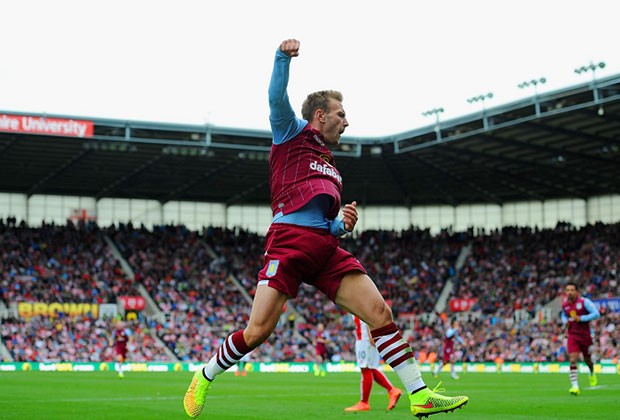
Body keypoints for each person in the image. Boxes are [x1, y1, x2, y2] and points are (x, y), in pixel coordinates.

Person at [183, 38, 469, 418]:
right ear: (320, 115)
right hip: (288, 244)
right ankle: (204, 375)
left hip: (325, 248)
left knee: (380, 313)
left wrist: (341, 225)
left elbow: (324, 222)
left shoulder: (330, 164)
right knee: (256, 333)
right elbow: (274, 96)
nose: (346, 121)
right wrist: (281, 58)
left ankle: (418, 394)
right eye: (340, 114)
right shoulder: (290, 134)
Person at [344, 315, 403, 412]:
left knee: (365, 369)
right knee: (370, 368)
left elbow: (367, 315)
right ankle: (392, 391)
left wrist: (371, 334)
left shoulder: (360, 300)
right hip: (364, 338)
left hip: (365, 339)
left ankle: (364, 402)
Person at [561, 281, 600, 395]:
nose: (570, 292)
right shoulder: (565, 305)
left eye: (572, 290)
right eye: (568, 290)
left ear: (576, 291)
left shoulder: (584, 302)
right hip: (572, 335)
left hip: (585, 335)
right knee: (573, 359)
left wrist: (582, 318)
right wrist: (565, 321)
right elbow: (563, 314)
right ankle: (575, 386)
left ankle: (592, 373)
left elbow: (596, 314)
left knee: (587, 360)